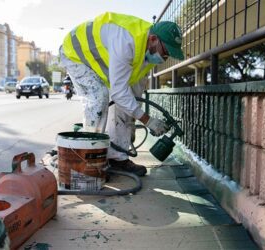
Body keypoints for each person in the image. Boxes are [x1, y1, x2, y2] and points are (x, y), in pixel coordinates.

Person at [59, 12, 184, 176]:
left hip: (97, 62)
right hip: (75, 54)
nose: (165, 57)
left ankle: (118, 159)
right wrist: (148, 120)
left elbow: (131, 97)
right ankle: (87, 162)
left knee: (125, 103)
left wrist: (132, 123)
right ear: (153, 39)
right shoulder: (126, 41)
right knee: (99, 98)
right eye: (165, 51)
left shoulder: (146, 56)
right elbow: (118, 94)